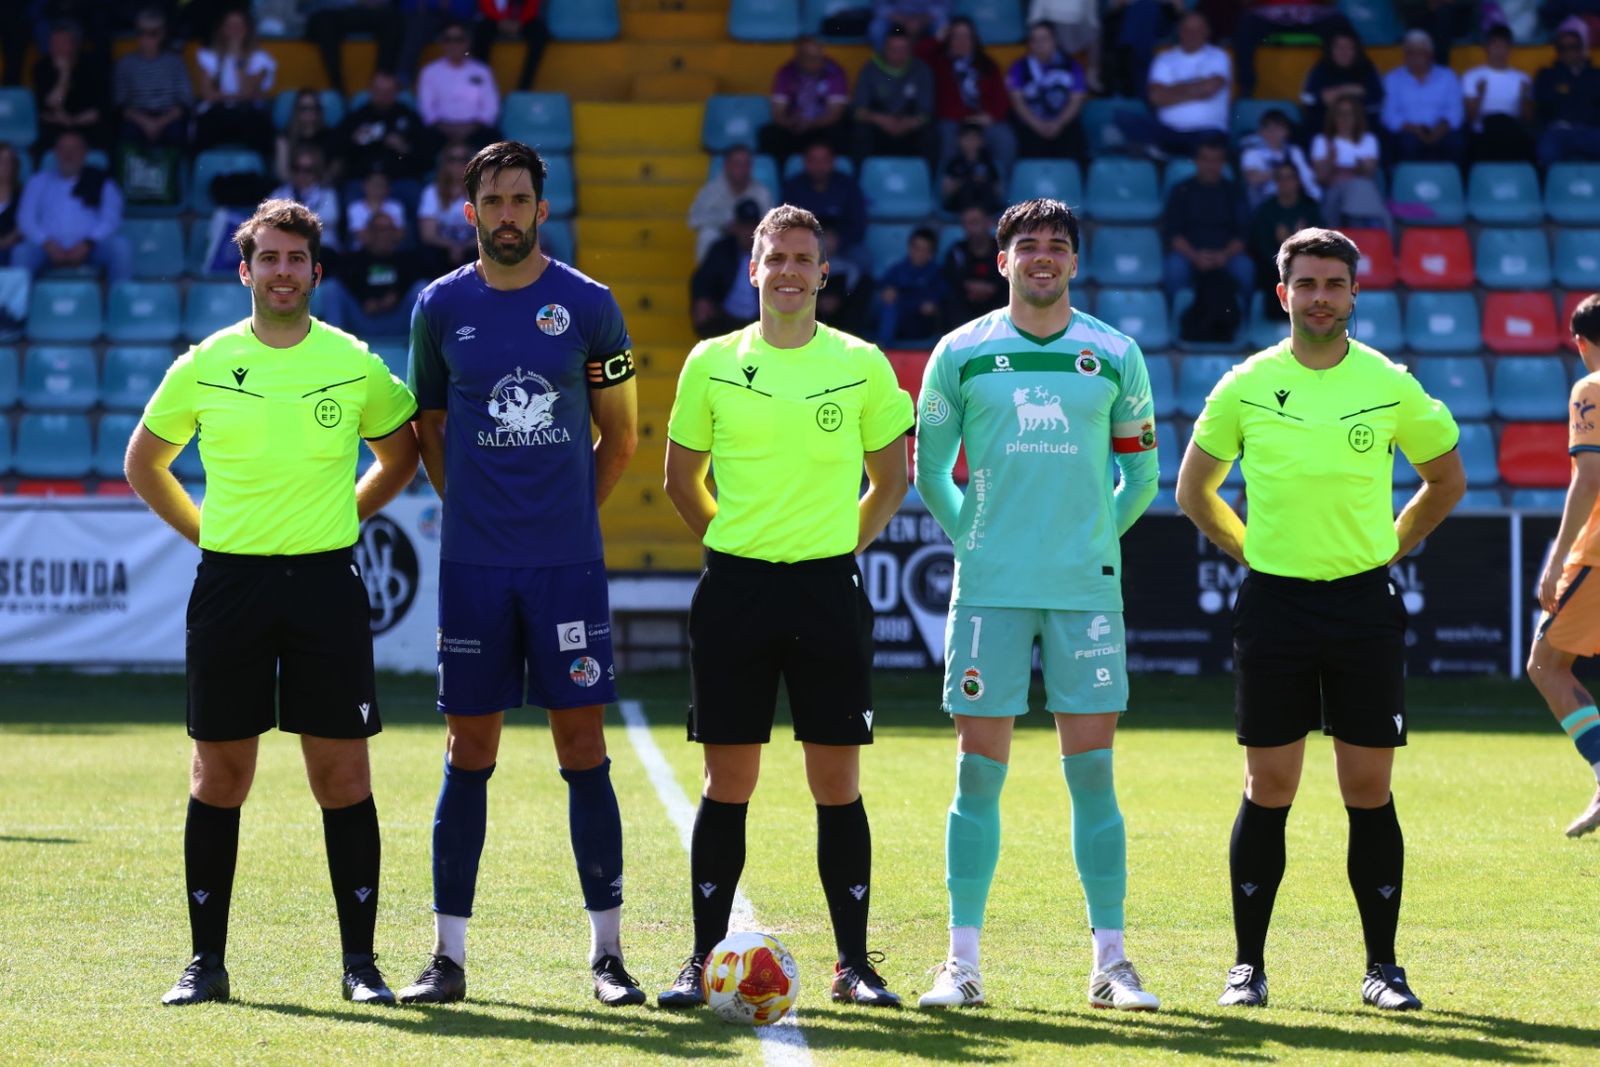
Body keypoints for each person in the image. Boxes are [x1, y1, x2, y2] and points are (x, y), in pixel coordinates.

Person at [125, 197, 421, 1008]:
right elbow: (144, 462)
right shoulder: (205, 363)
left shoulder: (353, 361)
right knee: (221, 773)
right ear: (245, 269)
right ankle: (204, 964)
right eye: (269, 258)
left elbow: (401, 452)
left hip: (325, 583)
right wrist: (205, 534)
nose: (283, 271)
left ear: (316, 272)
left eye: (297, 259)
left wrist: (346, 516)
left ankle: (360, 964)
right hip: (231, 584)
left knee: (343, 773)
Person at [1175, 227, 1465, 1012]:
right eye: (1307, 284)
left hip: (1364, 606)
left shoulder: (1391, 383)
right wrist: (1249, 553)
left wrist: (1390, 549)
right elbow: (1194, 490)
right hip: (1275, 605)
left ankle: (1383, 969)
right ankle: (1247, 967)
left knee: (1368, 787)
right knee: (1269, 785)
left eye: (1335, 284)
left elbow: (1445, 479)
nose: (1321, 297)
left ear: (1354, 294)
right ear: (1283, 293)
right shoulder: (1244, 384)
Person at [398, 140, 643, 1008]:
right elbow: (427, 423)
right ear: (471, 212)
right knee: (470, 749)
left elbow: (621, 434)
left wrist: (569, 513)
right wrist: (470, 507)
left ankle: (609, 957)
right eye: (491, 201)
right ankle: (447, 960)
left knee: (584, 748)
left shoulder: (588, 305)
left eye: (519, 200)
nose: (506, 214)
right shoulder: (439, 306)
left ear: (543, 208)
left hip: (565, 567)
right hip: (473, 566)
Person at [658, 203, 913, 1011]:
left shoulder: (863, 362)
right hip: (734, 590)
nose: (791, 271)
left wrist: (839, 546)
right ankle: (701, 961)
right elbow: (679, 479)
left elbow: (891, 478)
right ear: (754, 269)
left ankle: (854, 965)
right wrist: (737, 544)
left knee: (836, 781)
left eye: (805, 258)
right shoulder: (711, 361)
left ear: (823, 272)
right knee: (727, 779)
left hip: (826, 589)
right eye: (778, 258)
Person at [912, 197, 1161, 1011]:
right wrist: (974, 541)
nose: (1042, 257)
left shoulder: (1115, 352)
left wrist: (1093, 543)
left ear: (1076, 263)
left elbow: (1144, 478)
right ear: (1002, 260)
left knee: (1093, 775)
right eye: (1028, 246)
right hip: (992, 590)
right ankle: (961, 963)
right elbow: (931, 469)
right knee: (977, 777)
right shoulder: (962, 352)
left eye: (1057, 246)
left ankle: (1112, 963)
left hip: (1082, 592)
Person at [1526, 292, 1600, 839]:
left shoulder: (1591, 389)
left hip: (1597, 556)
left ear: (1580, 342)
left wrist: (1556, 560)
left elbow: (1590, 478)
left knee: (1546, 665)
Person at [13, 130, 131, 281]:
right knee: (21, 252)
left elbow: (111, 218)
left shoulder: (102, 182)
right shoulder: (38, 181)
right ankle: (18, 305)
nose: (68, 154)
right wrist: (47, 243)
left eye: (74, 149)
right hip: (46, 247)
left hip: (91, 247)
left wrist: (88, 243)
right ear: (55, 153)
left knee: (120, 247)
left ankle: (120, 300)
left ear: (85, 153)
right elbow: (26, 219)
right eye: (63, 149)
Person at [1115, 12, 1232, 159]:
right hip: (1168, 131)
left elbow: (1210, 88)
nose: (1192, 34)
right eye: (1187, 29)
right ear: (1179, 31)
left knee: (1211, 143)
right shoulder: (1164, 58)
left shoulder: (1218, 56)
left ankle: (1157, 152)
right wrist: (1197, 87)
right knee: (1122, 117)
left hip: (1206, 132)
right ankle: (1158, 151)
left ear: (1207, 32)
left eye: (1197, 29)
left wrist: (1171, 91)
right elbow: (1156, 97)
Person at [920, 16, 1015, 176]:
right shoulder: (939, 63)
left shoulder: (987, 64)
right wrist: (937, 38)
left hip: (983, 120)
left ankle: (1001, 191)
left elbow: (1001, 98)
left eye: (966, 36)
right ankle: (944, 191)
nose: (961, 41)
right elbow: (916, 56)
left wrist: (991, 117)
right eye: (956, 36)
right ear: (948, 39)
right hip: (952, 120)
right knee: (947, 139)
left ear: (974, 39)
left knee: (1005, 139)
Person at [1161, 137, 1252, 302]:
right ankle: (1173, 316)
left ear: (1223, 163)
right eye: (1205, 159)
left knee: (1244, 268)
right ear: (1196, 161)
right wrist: (1194, 256)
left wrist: (1224, 255)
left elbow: (1243, 233)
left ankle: (1244, 320)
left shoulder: (1234, 192)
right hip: (1189, 254)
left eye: (1216, 160)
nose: (1210, 165)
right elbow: (1173, 233)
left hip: (1227, 255)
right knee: (1175, 268)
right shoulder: (1181, 190)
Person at [327, 210, 430, 335]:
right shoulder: (351, 260)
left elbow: (413, 281)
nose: (384, 235)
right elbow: (347, 283)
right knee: (331, 288)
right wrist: (365, 300)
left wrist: (396, 295)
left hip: (398, 320)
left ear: (396, 233)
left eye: (388, 229)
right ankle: (335, 347)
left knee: (422, 288)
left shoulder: (409, 259)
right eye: (379, 229)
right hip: (362, 319)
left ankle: (422, 350)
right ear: (368, 233)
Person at [193, 8, 277, 158]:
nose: (235, 31)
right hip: (218, 113)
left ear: (248, 30)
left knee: (257, 125)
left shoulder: (261, 58)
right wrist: (237, 97)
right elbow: (207, 94)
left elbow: (247, 91)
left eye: (239, 26)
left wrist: (239, 59)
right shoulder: (209, 57)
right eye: (230, 26)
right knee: (204, 126)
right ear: (222, 30)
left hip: (248, 114)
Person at [758, 35, 853, 166]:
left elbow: (835, 114)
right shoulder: (785, 72)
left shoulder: (835, 72)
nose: (814, 62)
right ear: (798, 57)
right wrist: (790, 123)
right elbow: (777, 112)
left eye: (817, 57)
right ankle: (778, 177)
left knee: (842, 133)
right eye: (808, 57)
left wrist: (812, 124)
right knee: (769, 134)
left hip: (822, 126)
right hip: (794, 126)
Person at [1233, 1, 1356, 100]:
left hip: (1312, 15)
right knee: (1246, 26)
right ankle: (1246, 89)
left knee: (1340, 24)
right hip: (1271, 16)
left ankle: (1344, 82)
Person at [852, 27, 938, 166]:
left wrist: (908, 123)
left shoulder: (922, 69)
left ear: (911, 49)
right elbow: (857, 111)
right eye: (894, 49)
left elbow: (927, 112)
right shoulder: (869, 69)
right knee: (859, 133)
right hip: (878, 128)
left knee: (931, 135)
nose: (899, 54)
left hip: (910, 129)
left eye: (904, 49)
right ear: (884, 48)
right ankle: (860, 179)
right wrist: (880, 119)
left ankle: (928, 183)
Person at [337, 70, 435, 191]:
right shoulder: (357, 117)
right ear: (370, 90)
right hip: (362, 181)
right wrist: (354, 140)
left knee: (412, 191)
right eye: (378, 91)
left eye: (388, 92)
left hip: (399, 181)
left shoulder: (410, 117)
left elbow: (427, 159)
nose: (383, 96)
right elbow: (336, 149)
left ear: (396, 92)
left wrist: (404, 147)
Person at [1248, 161, 1322, 319]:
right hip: (1275, 268)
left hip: (1310, 266)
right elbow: (1260, 247)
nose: (1285, 182)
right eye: (1280, 178)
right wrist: (1287, 250)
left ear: (1298, 181)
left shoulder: (1310, 209)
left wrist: (1297, 243)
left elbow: (1323, 244)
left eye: (1289, 178)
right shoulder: (1265, 211)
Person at [1006, 21, 1089, 162]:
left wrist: (1059, 123)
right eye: (1034, 40)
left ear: (1055, 41)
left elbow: (1076, 101)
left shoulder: (1072, 66)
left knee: (1075, 138)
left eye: (1044, 39)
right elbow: (1018, 103)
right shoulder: (1018, 67)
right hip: (1030, 124)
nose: (1039, 45)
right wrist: (1037, 124)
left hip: (1063, 123)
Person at [1381, 29, 1466, 165]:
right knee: (1406, 143)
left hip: (1441, 129)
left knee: (1456, 143)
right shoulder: (1393, 78)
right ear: (1405, 55)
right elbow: (1389, 115)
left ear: (1430, 54)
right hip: (1408, 131)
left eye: (1420, 52)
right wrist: (1415, 129)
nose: (1415, 57)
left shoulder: (1447, 76)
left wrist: (1440, 129)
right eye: (1410, 52)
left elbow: (1456, 111)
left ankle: (1450, 183)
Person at [115, 7, 192, 150]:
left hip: (168, 118)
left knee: (177, 134)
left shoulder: (176, 63)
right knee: (126, 135)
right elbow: (121, 104)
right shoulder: (125, 64)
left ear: (162, 34)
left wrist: (160, 122)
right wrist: (145, 122)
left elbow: (185, 102)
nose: (146, 38)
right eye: (141, 33)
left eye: (153, 33)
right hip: (137, 119)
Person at [417, 20, 500, 149]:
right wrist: (446, 128)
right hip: (441, 130)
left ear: (467, 42)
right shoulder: (430, 71)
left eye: (459, 39)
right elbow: (426, 108)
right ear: (442, 43)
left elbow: (491, 106)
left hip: (475, 129)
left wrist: (470, 128)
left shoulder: (482, 71)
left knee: (495, 141)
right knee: (421, 141)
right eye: (448, 39)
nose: (454, 44)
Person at [780, 141, 868, 264]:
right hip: (802, 246)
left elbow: (858, 224)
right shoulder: (794, 187)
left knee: (862, 256)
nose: (819, 166)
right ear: (806, 162)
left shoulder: (848, 185)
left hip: (842, 246)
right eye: (814, 160)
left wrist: (839, 241)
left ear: (833, 162)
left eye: (824, 160)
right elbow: (784, 224)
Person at [1311, 96, 1390, 230]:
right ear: (1333, 117)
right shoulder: (1322, 141)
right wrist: (1331, 160)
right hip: (1333, 192)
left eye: (1350, 113)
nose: (1345, 118)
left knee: (1358, 191)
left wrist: (1341, 171)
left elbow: (1369, 173)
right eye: (1340, 113)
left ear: (1357, 117)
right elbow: (1322, 178)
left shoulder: (1368, 140)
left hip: (1363, 190)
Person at [1461, 24, 1535, 163]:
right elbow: (1470, 118)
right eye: (1495, 46)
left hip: (1512, 131)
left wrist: (1524, 97)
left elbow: (1528, 119)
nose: (1499, 52)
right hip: (1483, 133)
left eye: (1504, 47)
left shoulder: (1523, 79)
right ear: (1486, 48)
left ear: (1510, 49)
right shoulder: (1472, 76)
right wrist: (1480, 95)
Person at [689, 198, 762, 338]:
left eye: (753, 227)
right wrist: (703, 299)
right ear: (735, 227)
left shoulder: (770, 254)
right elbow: (701, 280)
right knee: (704, 313)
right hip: (725, 317)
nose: (748, 232)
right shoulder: (721, 250)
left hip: (760, 321)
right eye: (744, 226)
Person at [688, 144, 774, 263]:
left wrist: (746, 230)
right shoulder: (710, 191)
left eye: (745, 164)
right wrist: (727, 224)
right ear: (727, 165)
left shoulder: (762, 192)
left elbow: (771, 225)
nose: (741, 168)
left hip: (751, 238)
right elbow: (694, 219)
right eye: (737, 164)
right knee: (707, 235)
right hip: (722, 235)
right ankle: (709, 278)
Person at [1299, 30, 1384, 144]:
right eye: (1338, 47)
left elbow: (1377, 101)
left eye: (1348, 47)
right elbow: (1307, 98)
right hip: (1323, 126)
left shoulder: (1367, 69)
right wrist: (1323, 98)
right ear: (1330, 50)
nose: (1343, 51)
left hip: (1361, 127)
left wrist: (1342, 93)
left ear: (1356, 50)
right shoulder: (1320, 69)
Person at [1534, 20, 1600, 167]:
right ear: (1558, 52)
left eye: (1574, 47)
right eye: (1564, 48)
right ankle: (1550, 188)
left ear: (1583, 49)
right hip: (1559, 131)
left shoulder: (1596, 76)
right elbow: (1542, 105)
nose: (1570, 52)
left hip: (1591, 130)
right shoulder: (1547, 75)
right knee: (1547, 150)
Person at [35, 19, 108, 151]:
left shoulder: (94, 66)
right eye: (53, 43)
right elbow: (50, 106)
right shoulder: (42, 67)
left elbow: (99, 109)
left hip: (86, 126)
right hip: (56, 126)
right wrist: (64, 75)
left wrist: (74, 121)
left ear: (75, 45)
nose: (55, 48)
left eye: (61, 43)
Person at [306, 0, 402, 93]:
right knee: (324, 22)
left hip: (369, 11)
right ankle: (337, 89)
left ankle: (381, 82)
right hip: (331, 12)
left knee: (394, 20)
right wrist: (358, 1)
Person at [875, 226, 944, 344]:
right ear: (909, 248)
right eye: (916, 248)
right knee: (889, 309)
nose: (919, 253)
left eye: (924, 249)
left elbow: (935, 304)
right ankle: (884, 349)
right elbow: (884, 291)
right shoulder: (897, 270)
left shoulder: (937, 273)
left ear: (931, 253)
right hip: (899, 318)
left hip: (921, 323)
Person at [1240, 109, 1318, 209]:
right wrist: (1280, 173)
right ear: (1261, 132)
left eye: (1277, 128)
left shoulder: (1294, 151)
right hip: (1268, 201)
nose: (1272, 133)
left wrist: (1314, 196)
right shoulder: (1252, 153)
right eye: (1268, 128)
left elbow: (1306, 176)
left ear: (1286, 131)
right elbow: (1252, 179)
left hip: (1296, 198)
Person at [271, 145, 343, 252]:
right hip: (288, 250)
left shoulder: (328, 194)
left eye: (308, 170)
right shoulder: (279, 193)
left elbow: (330, 218)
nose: (302, 174)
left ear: (317, 171)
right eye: (297, 168)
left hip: (324, 250)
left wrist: (291, 220)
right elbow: (270, 221)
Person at [940, 204, 1002, 328]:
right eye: (966, 223)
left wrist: (991, 288)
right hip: (966, 306)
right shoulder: (957, 251)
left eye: (975, 222)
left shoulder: (1002, 249)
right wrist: (968, 286)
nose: (971, 228)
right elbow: (950, 279)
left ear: (988, 223)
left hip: (997, 304)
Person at [418, 145, 477, 271]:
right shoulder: (431, 192)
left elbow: (486, 231)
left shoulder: (479, 191)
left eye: (463, 159)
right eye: (452, 159)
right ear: (444, 163)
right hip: (441, 250)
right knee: (428, 254)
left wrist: (463, 247)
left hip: (472, 248)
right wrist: (453, 246)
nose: (458, 164)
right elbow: (428, 235)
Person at [471, 0, 549, 93]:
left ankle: (525, 85)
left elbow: (532, 5)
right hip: (495, 19)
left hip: (522, 20)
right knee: (481, 31)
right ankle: (483, 82)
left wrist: (521, 22)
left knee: (539, 32)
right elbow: (486, 4)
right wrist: (500, 20)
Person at [1028, 0, 1104, 94]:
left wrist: (1094, 26)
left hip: (1079, 21)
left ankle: (1091, 74)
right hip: (1050, 19)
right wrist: (1034, 22)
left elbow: (1090, 8)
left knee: (1094, 35)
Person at [275, 88, 341, 185]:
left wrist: (315, 186)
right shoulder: (284, 138)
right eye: (304, 108)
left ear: (320, 111)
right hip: (292, 190)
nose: (310, 113)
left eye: (315, 108)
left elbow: (335, 170)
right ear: (297, 110)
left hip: (322, 190)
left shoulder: (331, 136)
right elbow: (283, 173)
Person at [941, 121, 1003, 214]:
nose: (970, 142)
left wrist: (982, 182)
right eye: (967, 138)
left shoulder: (988, 163)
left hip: (984, 201)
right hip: (960, 202)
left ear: (981, 141)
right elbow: (947, 191)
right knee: (968, 189)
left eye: (974, 138)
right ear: (959, 140)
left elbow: (997, 190)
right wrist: (965, 182)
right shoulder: (953, 163)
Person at [346, 170, 408, 250]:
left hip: (391, 252)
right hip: (361, 252)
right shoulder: (355, 208)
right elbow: (360, 235)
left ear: (388, 188)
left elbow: (400, 234)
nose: (377, 188)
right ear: (365, 186)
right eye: (374, 184)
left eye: (381, 184)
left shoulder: (396, 207)